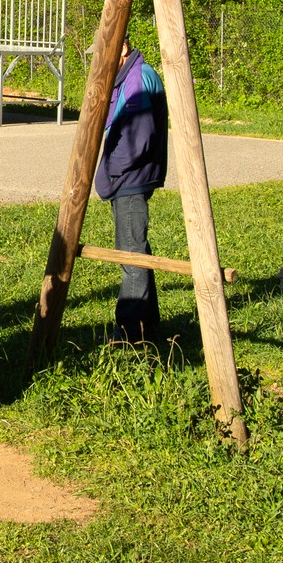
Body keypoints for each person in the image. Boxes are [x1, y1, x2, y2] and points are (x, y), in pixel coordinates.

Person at [93, 38, 169, 344]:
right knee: (137, 251)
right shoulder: (130, 75)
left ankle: (127, 335)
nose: (99, 61)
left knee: (131, 256)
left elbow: (138, 137)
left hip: (131, 180)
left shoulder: (137, 78)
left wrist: (112, 170)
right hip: (130, 178)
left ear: (121, 48)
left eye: (104, 52)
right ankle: (147, 326)